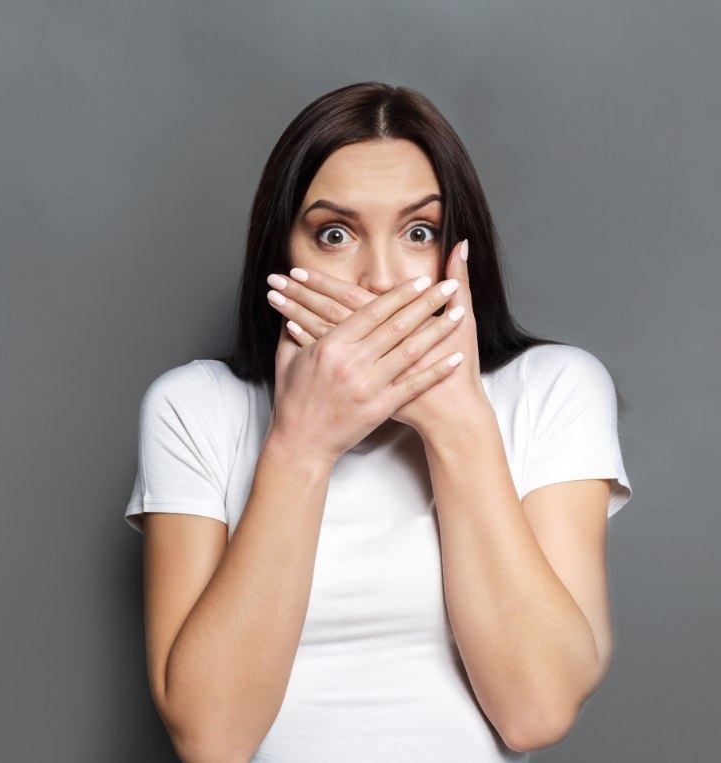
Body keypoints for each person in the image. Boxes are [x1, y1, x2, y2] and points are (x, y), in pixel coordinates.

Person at [124, 82, 632, 763]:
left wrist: (456, 422)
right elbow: (211, 738)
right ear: (281, 255)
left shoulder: (553, 388)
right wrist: (299, 444)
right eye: (334, 234)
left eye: (418, 232)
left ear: (458, 246)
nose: (380, 279)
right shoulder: (194, 407)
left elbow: (535, 710)